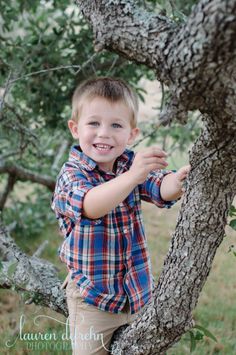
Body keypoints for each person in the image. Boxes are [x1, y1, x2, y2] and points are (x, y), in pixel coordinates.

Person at [51, 77, 190, 355]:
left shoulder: (128, 163)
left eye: (116, 125)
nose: (104, 133)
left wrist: (179, 180)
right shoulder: (72, 174)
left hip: (137, 294)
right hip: (93, 299)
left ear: (131, 135)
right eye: (94, 123)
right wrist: (132, 176)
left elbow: (159, 187)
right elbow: (91, 206)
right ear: (75, 129)